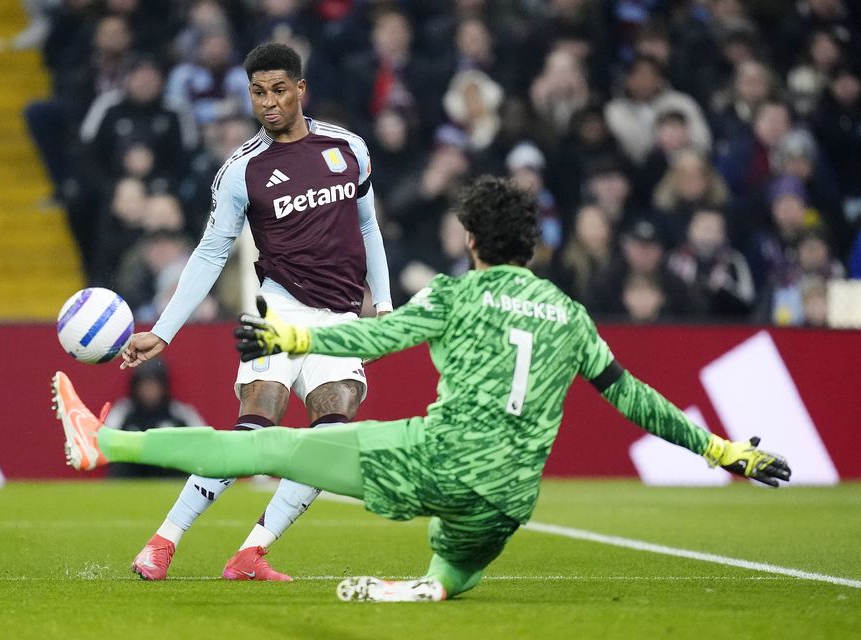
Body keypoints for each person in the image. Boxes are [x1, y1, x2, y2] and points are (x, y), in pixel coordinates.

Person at [52, 175, 791, 603]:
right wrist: (721, 448)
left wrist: (293, 338)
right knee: (458, 554)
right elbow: (634, 398)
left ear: (472, 241)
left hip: (430, 459)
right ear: (532, 246)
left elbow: (373, 336)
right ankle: (431, 586)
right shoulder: (571, 317)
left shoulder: (456, 296)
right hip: (508, 498)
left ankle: (103, 440)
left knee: (270, 442)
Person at [117, 43, 393, 582]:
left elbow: (368, 228)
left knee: (328, 441)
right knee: (255, 431)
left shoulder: (348, 148)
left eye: (278, 90)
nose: (268, 103)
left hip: (339, 319)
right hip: (280, 312)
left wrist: (382, 304)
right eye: (258, 92)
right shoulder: (242, 170)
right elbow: (212, 251)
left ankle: (252, 553)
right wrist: (164, 332)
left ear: (300, 90)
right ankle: (163, 541)